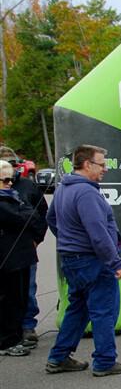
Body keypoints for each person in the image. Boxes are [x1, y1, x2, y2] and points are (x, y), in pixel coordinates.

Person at [45, 145, 121, 376]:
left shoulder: (64, 187)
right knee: (103, 311)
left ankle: (58, 357)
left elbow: (51, 218)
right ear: (86, 164)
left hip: (72, 259)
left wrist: (68, 241)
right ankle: (104, 361)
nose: (105, 169)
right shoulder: (87, 193)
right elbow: (98, 232)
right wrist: (115, 263)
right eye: (101, 164)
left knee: (78, 308)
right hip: (93, 260)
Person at [0, 147, 46, 347]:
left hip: (25, 248)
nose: (9, 180)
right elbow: (19, 216)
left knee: (26, 290)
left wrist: (37, 238)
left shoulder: (27, 186)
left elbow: (41, 214)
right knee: (7, 295)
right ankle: (9, 334)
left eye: (11, 165)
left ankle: (27, 327)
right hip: (5, 251)